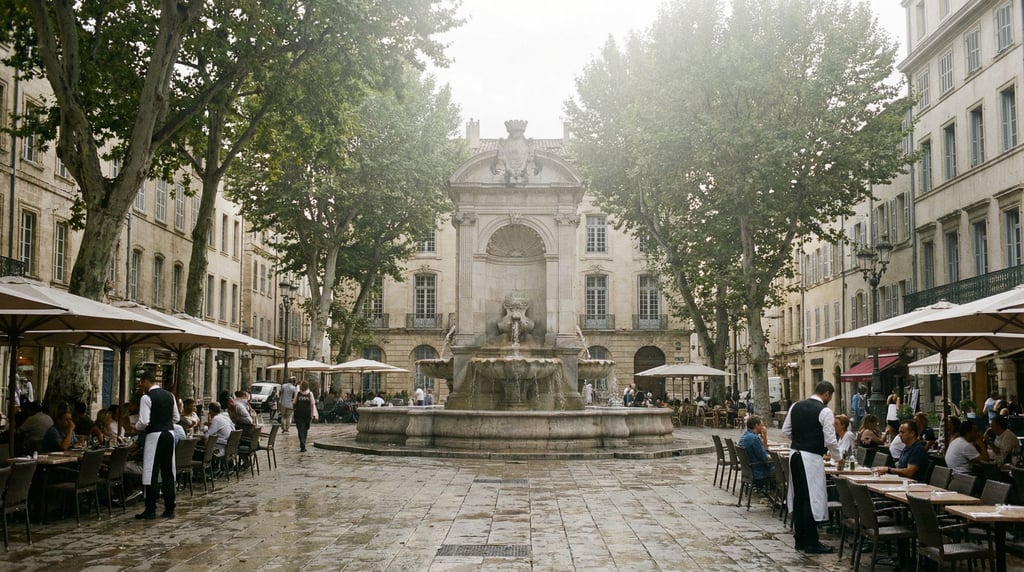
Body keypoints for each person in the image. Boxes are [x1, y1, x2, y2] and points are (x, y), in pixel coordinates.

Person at [781, 380, 841, 554]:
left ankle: (800, 539)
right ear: (827, 394)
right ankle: (811, 542)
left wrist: (800, 438)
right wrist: (838, 458)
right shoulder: (825, 411)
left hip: (795, 455)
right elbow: (830, 439)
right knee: (811, 498)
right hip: (811, 457)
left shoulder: (796, 406)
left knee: (799, 497)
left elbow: (786, 430)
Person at [134, 370, 179, 519]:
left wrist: (136, 428)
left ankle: (151, 509)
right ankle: (169, 508)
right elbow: (176, 418)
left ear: (147, 381)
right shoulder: (170, 395)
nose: (141, 385)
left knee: (151, 471)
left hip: (154, 435)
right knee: (168, 471)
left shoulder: (146, 397)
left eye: (142, 382)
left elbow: (144, 421)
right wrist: (165, 422)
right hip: (170, 433)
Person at [738, 415, 773, 482]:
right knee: (781, 468)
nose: (762, 427)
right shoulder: (754, 439)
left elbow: (763, 451)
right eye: (761, 425)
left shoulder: (745, 436)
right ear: (756, 425)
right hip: (758, 470)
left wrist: (764, 438)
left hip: (749, 468)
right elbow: (764, 457)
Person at [293, 381, 318, 452]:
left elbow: (294, 403)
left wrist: (294, 410)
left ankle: (302, 442)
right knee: (305, 430)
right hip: (307, 415)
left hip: (298, 414)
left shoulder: (298, 394)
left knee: (300, 429)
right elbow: (312, 405)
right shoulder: (310, 394)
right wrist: (312, 415)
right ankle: (303, 443)